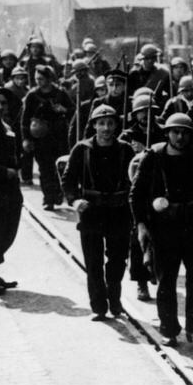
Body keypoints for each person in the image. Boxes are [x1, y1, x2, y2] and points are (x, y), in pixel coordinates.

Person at [130, 113, 193, 348]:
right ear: (167, 133)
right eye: (175, 132)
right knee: (166, 281)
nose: (180, 137)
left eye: (185, 132)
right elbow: (136, 195)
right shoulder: (153, 157)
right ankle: (168, 329)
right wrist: (141, 225)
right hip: (163, 229)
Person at [61, 104, 136, 320]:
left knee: (117, 260)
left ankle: (115, 299)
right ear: (94, 125)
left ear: (116, 126)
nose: (106, 128)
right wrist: (74, 201)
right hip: (91, 212)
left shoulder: (125, 149)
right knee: (93, 262)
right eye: (101, 123)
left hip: (118, 212)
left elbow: (135, 178)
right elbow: (68, 179)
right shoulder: (81, 149)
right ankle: (98, 306)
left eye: (110, 123)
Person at [0, 85, 23, 294]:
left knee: (6, 231)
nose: (0, 106)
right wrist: (3, 171)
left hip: (8, 189)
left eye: (3, 103)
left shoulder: (4, 127)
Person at [20, 65, 73, 209]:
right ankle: (48, 198)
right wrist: (26, 138)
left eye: (41, 79)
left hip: (59, 137)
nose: (38, 81)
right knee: (44, 168)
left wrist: (64, 110)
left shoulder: (60, 93)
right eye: (37, 78)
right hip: (40, 137)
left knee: (59, 167)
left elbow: (73, 111)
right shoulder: (32, 95)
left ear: (49, 79)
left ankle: (58, 194)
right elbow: (25, 119)